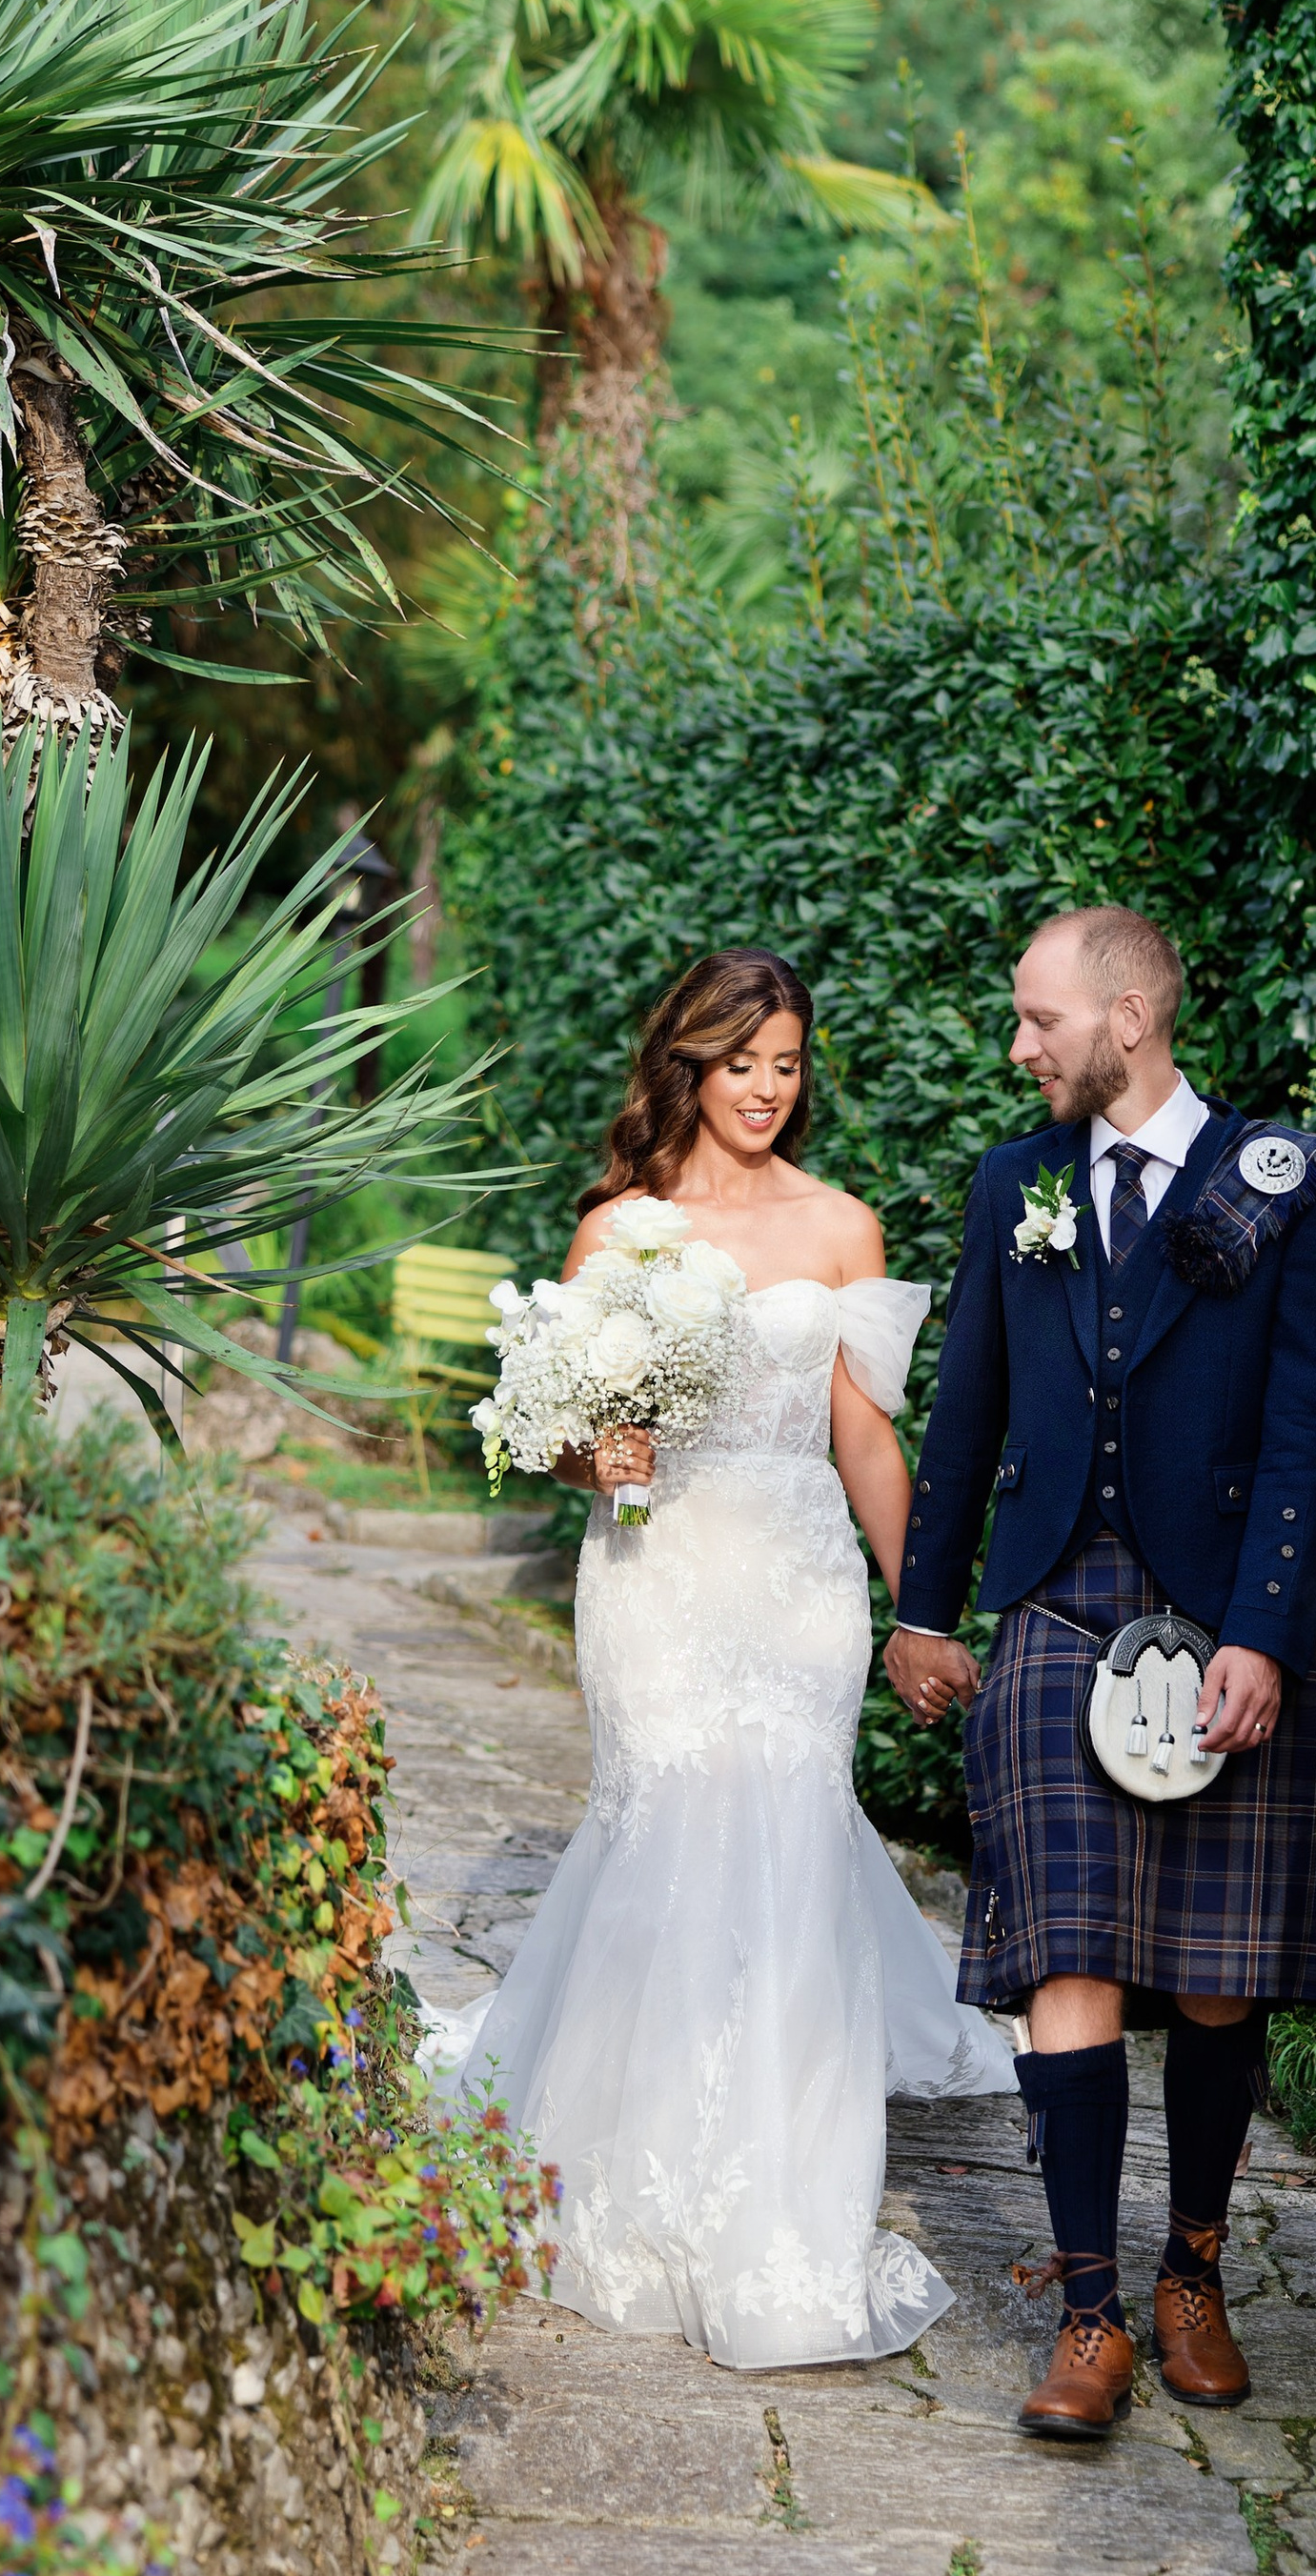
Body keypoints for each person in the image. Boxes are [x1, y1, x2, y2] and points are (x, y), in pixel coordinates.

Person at [421, 947, 1013, 2370]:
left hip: (799, 1577)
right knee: (673, 1820)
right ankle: (627, 2158)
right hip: (657, 1567)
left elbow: (867, 1434)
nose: (765, 1088)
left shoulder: (843, 1227)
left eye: (788, 1062)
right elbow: (554, 1429)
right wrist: (593, 1451)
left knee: (791, 1837)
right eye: (739, 1061)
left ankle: (790, 2184)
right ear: (683, 1064)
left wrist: (920, 1602)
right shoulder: (619, 1229)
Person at [887, 904, 1316, 2441]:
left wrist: (1264, 1630)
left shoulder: (1286, 1187)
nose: (1018, 1046)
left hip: (1223, 1615)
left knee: (1210, 1969)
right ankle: (1089, 2308)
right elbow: (966, 1412)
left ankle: (1192, 2267)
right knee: (1068, 1956)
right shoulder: (1017, 1183)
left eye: (1037, 1018)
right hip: (1057, 1610)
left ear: (1128, 1017)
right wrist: (927, 1609)